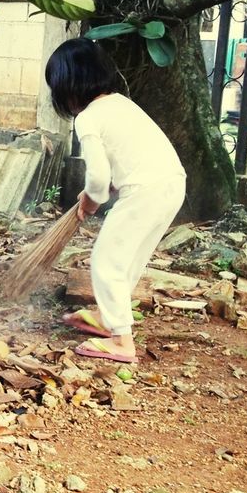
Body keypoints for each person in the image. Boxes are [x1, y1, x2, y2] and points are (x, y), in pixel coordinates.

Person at [45, 37, 186, 362]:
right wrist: (99, 192)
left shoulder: (89, 117)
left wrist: (91, 200)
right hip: (170, 184)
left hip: (145, 191)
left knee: (106, 261)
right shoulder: (121, 103)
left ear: (68, 85)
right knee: (126, 260)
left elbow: (97, 178)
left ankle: (121, 341)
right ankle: (109, 320)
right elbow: (126, 162)